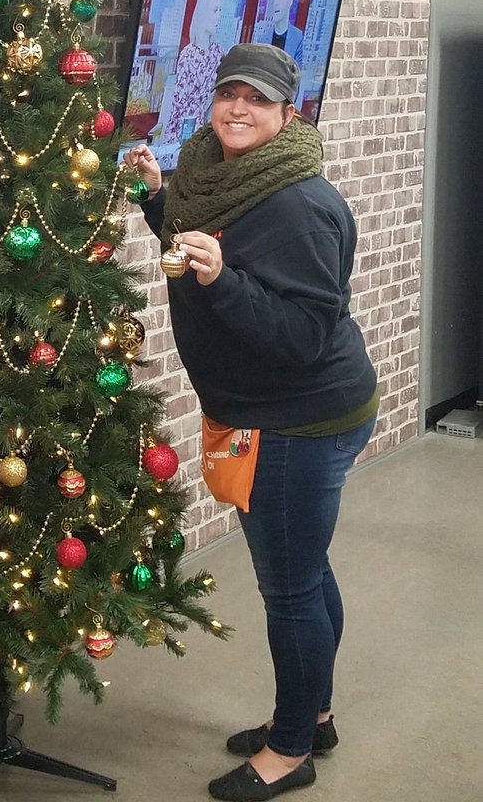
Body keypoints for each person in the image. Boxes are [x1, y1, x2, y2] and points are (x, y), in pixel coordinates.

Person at [124, 43, 377, 802]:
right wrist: (156, 199)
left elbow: (301, 338)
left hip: (300, 420)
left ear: (286, 113)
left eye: (257, 100)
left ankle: (291, 747)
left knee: (290, 588)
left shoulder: (300, 204)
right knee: (307, 568)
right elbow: (203, 229)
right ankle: (317, 714)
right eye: (229, 94)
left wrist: (223, 281)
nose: (238, 109)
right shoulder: (221, 173)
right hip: (282, 411)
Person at [159, 0, 226, 144]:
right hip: (183, 130)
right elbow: (180, 105)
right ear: (204, 12)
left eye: (220, 10)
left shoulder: (218, 52)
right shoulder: (189, 55)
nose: (218, 17)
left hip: (208, 127)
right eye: (215, 10)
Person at [259, 0, 304, 67]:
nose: (276, 3)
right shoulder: (262, 40)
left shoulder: (298, 39)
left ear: (291, 0)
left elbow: (297, 77)